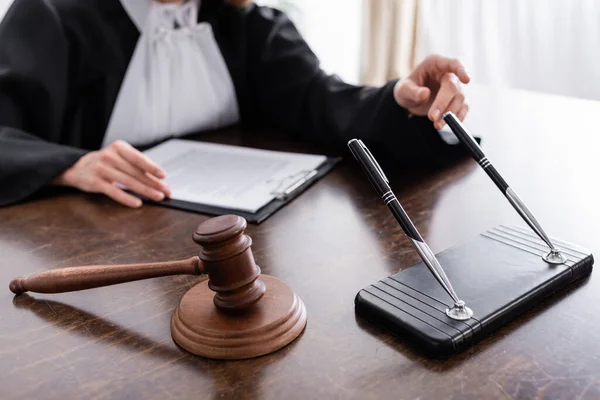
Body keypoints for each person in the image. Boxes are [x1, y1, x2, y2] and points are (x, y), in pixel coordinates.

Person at [0, 0, 470, 208]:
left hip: (231, 244)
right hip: (94, 254)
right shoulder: (51, 14)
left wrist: (402, 100)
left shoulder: (246, 25)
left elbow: (325, 102)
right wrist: (70, 165)